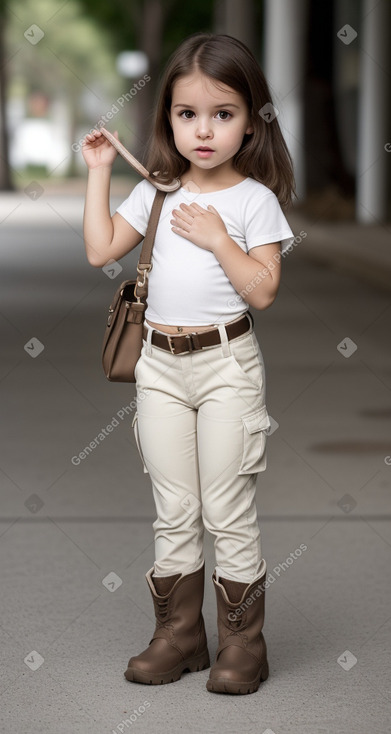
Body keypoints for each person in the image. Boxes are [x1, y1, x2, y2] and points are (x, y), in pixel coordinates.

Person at [82, 33, 295, 695]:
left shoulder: (252, 199)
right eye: (186, 114)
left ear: (251, 118)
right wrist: (96, 174)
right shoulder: (157, 191)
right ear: (167, 120)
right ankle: (177, 636)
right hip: (159, 368)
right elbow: (100, 250)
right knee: (173, 510)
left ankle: (242, 646)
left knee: (226, 509)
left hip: (227, 364)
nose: (203, 130)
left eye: (222, 113)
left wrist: (216, 237)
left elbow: (261, 288)